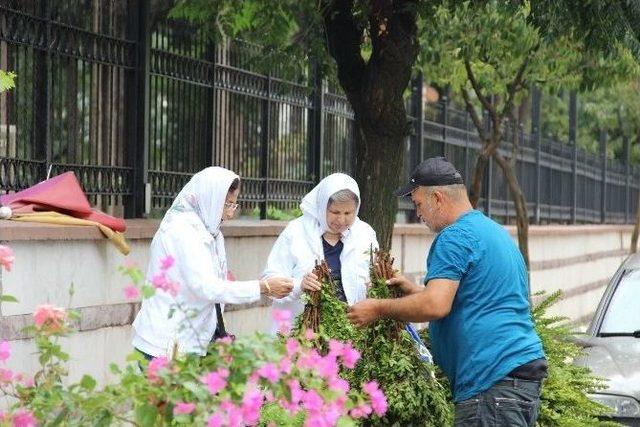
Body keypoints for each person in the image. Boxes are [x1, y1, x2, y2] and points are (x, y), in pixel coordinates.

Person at [347, 157, 547, 427]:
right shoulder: (492, 232)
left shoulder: (454, 237)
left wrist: (378, 308)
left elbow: (436, 306)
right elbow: (474, 298)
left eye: (418, 204)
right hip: (514, 379)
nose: (418, 214)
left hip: (491, 383)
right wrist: (415, 291)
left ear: (438, 198)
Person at [132, 167, 293, 358]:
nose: (230, 214)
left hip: (192, 342)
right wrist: (262, 287)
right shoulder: (182, 231)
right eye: (226, 205)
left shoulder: (211, 231)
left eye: (233, 205)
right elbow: (206, 287)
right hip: (165, 346)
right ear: (211, 198)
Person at [263, 173, 378, 333]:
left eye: (348, 213)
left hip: (350, 334)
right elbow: (270, 282)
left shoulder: (364, 234)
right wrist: (299, 285)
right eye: (335, 212)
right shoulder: (296, 231)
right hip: (300, 334)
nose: (341, 220)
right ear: (322, 205)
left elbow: (376, 276)